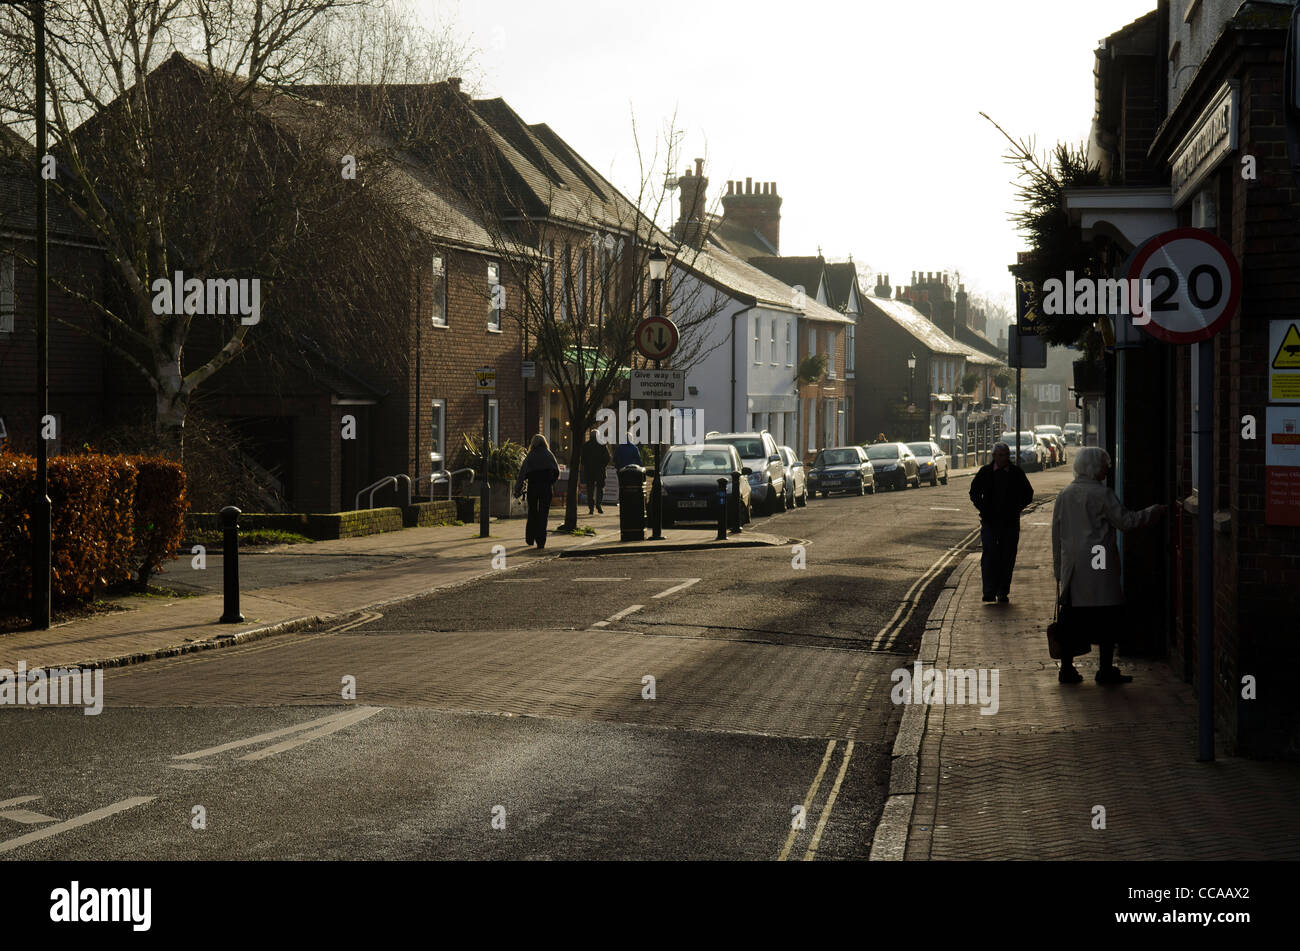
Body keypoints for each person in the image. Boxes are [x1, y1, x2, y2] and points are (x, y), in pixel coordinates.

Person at [1052, 447, 1166, 685]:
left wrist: (1058, 568)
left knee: (1073, 618)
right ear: (1095, 467)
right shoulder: (1102, 495)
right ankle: (1105, 669)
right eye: (1105, 464)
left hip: (1073, 566)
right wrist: (1153, 512)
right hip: (1099, 562)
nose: (1108, 468)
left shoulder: (1064, 494)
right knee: (1106, 616)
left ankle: (1067, 669)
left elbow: (1057, 534)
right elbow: (1126, 522)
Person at [969, 441, 1033, 603]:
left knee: (1007, 557)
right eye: (1001, 455)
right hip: (990, 522)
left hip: (1010, 523)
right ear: (994, 456)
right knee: (990, 555)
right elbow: (974, 492)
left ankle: (1003, 591)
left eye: (1006, 455)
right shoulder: (985, 472)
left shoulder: (1016, 473)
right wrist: (983, 508)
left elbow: (1028, 493)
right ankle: (989, 591)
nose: (1004, 458)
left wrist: (1017, 508)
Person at [514, 434, 560, 549]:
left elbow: (522, 474)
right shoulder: (549, 455)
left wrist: (517, 489)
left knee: (532, 512)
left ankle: (530, 538)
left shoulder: (530, 456)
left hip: (533, 487)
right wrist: (551, 482)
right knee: (544, 514)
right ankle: (541, 541)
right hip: (546, 487)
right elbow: (557, 471)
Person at [580, 428, 611, 515]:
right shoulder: (602, 445)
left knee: (590, 490)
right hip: (600, 471)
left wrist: (586, 465)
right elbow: (607, 458)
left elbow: (582, 460)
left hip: (589, 471)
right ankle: (598, 504)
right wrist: (603, 465)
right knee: (600, 488)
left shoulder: (586, 446)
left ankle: (591, 507)